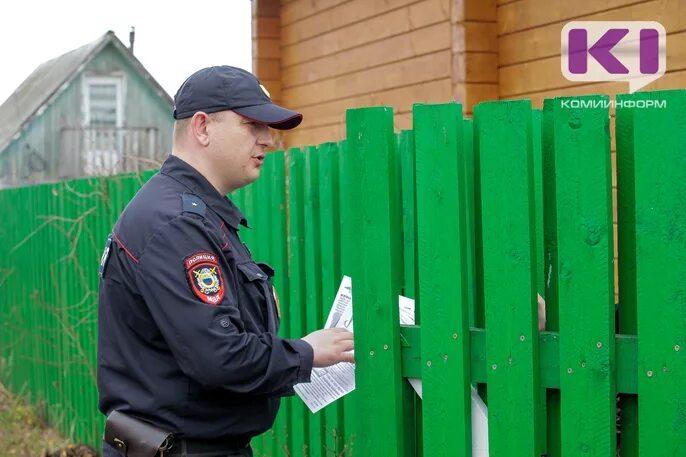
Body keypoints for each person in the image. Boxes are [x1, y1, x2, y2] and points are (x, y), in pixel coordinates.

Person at [97, 65, 355, 457]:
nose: (268, 140)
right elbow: (219, 358)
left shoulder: (192, 214)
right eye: (252, 125)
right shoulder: (176, 223)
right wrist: (307, 352)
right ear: (202, 127)